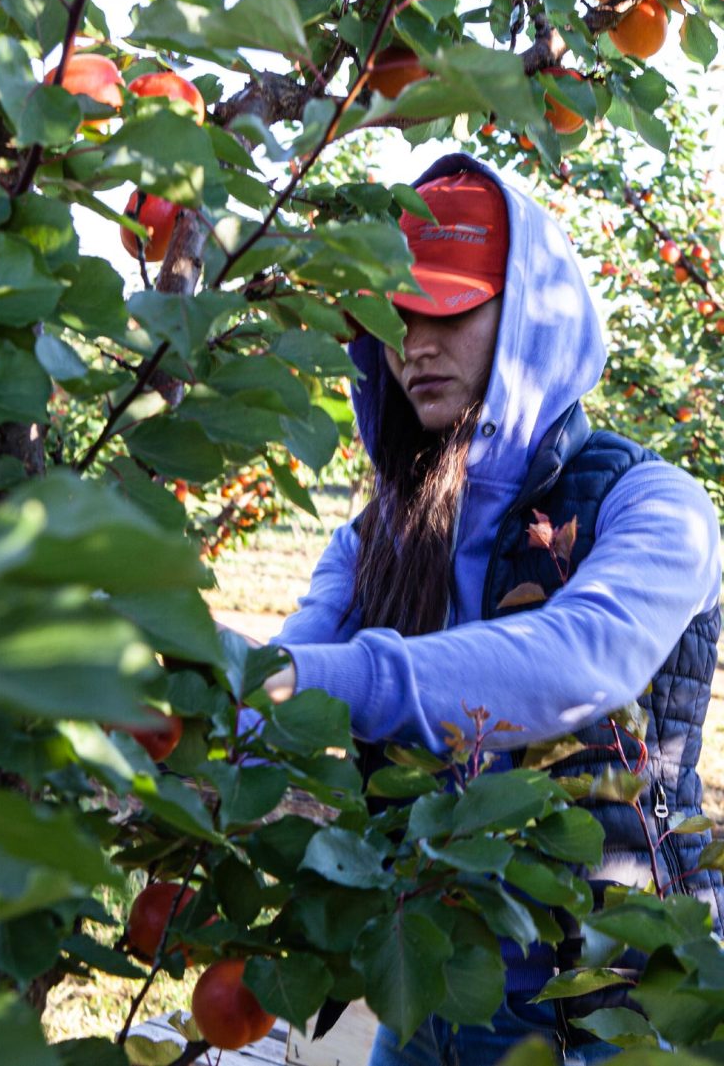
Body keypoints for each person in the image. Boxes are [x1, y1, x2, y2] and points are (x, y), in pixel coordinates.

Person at [262, 153, 724, 1064]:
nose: (415, 344)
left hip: (611, 1002)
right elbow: (273, 676)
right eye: (397, 316)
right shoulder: (378, 539)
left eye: (449, 307)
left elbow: (578, 659)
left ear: (529, 320)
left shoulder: (655, 505)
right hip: (432, 984)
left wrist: (332, 674)